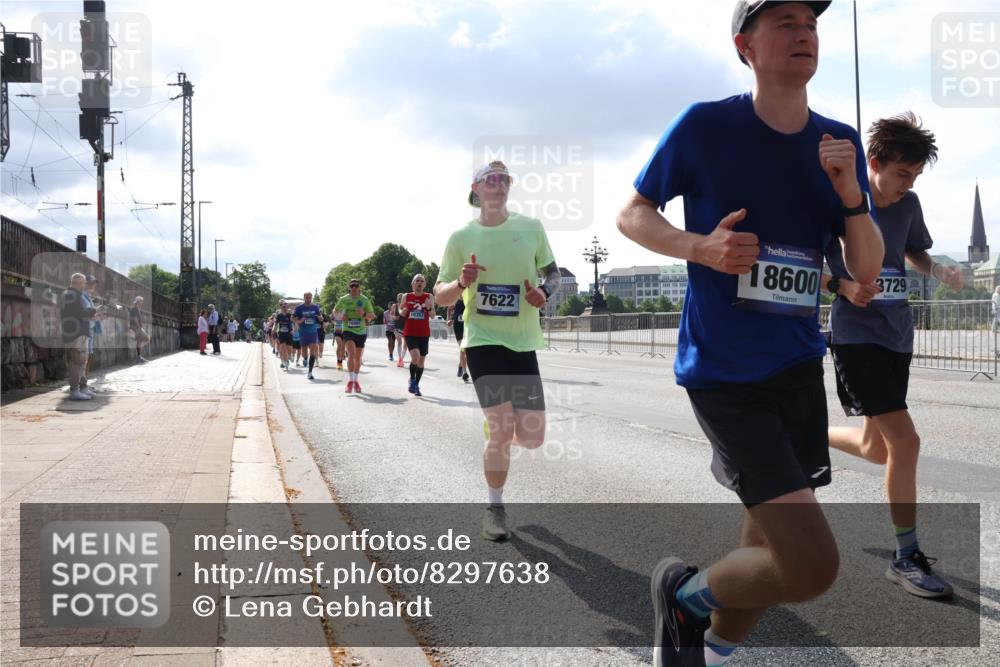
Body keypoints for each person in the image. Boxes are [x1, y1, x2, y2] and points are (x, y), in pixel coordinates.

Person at [615, 2, 885, 665]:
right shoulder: (708, 126)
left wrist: (851, 193)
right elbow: (631, 214)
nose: (804, 31)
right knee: (811, 564)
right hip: (725, 370)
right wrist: (700, 248)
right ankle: (683, 595)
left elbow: (868, 267)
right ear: (746, 45)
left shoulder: (836, 143)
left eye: (812, 22)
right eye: (785, 20)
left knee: (764, 544)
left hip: (796, 366)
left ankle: (712, 651)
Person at [824, 112, 962, 600]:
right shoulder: (842, 201)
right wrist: (842, 284)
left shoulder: (910, 205)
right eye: (902, 174)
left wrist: (937, 270)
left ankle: (808, 438)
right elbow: (805, 261)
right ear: (875, 163)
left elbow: (915, 251)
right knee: (906, 442)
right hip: (855, 336)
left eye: (916, 176)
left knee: (876, 448)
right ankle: (906, 557)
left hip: (896, 335)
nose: (908, 184)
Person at [434, 159, 562, 541]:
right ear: (476, 189)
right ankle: (495, 509)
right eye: (491, 179)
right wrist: (461, 281)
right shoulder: (461, 237)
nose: (499, 184)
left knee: (534, 436)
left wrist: (546, 293)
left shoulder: (531, 228)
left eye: (504, 179)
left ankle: (498, 433)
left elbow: (553, 274)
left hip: (523, 341)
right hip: (483, 340)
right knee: (503, 428)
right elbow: (441, 296)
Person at [333, 279, 375, 393]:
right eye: (352, 286)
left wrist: (364, 314)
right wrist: (341, 316)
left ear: (359, 287)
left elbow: (373, 315)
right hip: (348, 330)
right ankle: (350, 381)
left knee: (357, 358)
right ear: (349, 287)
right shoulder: (343, 299)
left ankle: (356, 381)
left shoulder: (364, 300)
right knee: (351, 354)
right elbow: (335, 311)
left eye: (356, 286)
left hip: (361, 331)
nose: (354, 288)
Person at [62, 273, 97, 400]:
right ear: (76, 283)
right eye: (83, 283)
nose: (84, 285)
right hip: (76, 334)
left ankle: (82, 388)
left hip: (80, 333)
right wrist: (93, 310)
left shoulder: (74, 295)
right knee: (77, 363)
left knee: (82, 362)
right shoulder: (72, 295)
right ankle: (75, 390)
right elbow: (81, 313)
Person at [401, 274, 437, 396]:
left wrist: (428, 308)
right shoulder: (407, 296)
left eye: (422, 280)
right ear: (412, 284)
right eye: (417, 280)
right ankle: (412, 379)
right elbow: (400, 310)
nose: (419, 282)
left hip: (424, 333)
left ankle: (416, 384)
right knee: (415, 357)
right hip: (410, 332)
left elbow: (432, 315)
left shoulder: (429, 296)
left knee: (421, 362)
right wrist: (403, 312)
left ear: (425, 284)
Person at [293, 292, 323, 380]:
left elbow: (319, 315)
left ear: (311, 298)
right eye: (306, 297)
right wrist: (300, 321)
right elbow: (293, 318)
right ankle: (305, 358)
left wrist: (320, 318)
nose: (308, 299)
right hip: (303, 332)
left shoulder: (315, 307)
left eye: (310, 297)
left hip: (313, 332)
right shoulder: (299, 308)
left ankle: (310, 373)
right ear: (304, 298)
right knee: (304, 353)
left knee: (313, 351)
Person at [82, 275, 103, 389]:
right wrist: (94, 312)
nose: (93, 286)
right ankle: (82, 383)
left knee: (89, 354)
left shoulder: (87, 296)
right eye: (90, 284)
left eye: (93, 284)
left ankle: (84, 382)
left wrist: (95, 313)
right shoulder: (82, 296)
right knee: (85, 356)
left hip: (90, 328)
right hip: (85, 329)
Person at [447, 296, 470, 382]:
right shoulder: (455, 299)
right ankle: (465, 372)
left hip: (469, 327)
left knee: (466, 349)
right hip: (458, 326)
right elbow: (449, 309)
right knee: (463, 348)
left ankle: (461, 365)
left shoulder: (471, 298)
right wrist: (449, 319)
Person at [129, 296, 150, 363]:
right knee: (145, 339)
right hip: (136, 328)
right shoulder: (134, 309)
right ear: (138, 302)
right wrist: (139, 328)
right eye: (141, 301)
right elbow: (134, 319)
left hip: (137, 327)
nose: (142, 303)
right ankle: (139, 357)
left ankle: (139, 357)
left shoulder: (137, 309)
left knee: (141, 341)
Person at [275, 301, 294, 370]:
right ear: (281, 307)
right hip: (281, 333)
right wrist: (274, 330)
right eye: (283, 307)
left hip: (289, 333)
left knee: (289, 349)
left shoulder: (289, 315)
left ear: (287, 307)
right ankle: (285, 362)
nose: (284, 308)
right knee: (283, 348)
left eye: (286, 307)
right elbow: (276, 324)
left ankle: (290, 355)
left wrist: (293, 330)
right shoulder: (278, 315)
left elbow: (293, 323)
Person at [394, 292, 408, 367]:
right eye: (398, 297)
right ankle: (400, 358)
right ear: (397, 298)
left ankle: (401, 359)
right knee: (399, 342)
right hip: (397, 326)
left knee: (406, 344)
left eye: (401, 296)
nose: (400, 298)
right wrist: (394, 317)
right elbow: (391, 315)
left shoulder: (407, 306)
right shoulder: (395, 306)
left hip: (406, 326)